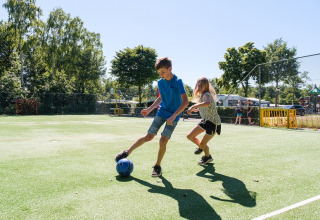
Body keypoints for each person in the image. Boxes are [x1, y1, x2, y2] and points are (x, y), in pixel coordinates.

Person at [115, 57, 189, 177]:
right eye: (159, 73)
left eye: (163, 72)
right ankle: (126, 152)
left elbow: (185, 101)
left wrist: (174, 116)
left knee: (163, 140)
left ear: (170, 69)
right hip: (162, 112)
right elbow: (161, 98)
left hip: (173, 115)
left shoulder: (178, 81)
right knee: (149, 136)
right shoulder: (160, 82)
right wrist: (150, 109)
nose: (161, 75)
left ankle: (157, 166)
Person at [186, 77, 221, 165]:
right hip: (206, 121)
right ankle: (206, 154)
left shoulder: (206, 94)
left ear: (206, 86)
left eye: (202, 85)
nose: (200, 87)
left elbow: (208, 103)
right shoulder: (201, 96)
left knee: (202, 144)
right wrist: (198, 109)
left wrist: (193, 106)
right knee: (190, 136)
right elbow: (205, 106)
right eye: (199, 85)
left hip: (213, 123)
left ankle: (205, 153)